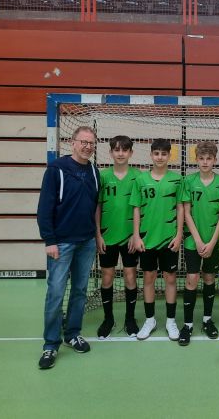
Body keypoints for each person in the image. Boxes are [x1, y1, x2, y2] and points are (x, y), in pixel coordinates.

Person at [37, 127, 99, 370]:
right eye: (83, 142)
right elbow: (44, 208)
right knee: (56, 292)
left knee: (80, 291)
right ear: (72, 143)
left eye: (91, 143)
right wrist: (49, 240)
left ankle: (72, 334)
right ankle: (50, 344)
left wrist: (95, 236)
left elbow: (94, 206)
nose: (87, 146)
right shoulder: (56, 169)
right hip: (61, 243)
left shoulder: (94, 171)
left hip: (86, 242)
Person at [130, 138, 183, 341]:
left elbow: (181, 208)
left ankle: (170, 320)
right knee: (149, 278)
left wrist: (179, 234)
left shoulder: (177, 180)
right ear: (151, 155)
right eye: (156, 153)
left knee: (170, 279)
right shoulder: (141, 180)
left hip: (169, 239)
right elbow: (136, 208)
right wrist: (136, 235)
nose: (160, 157)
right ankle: (150, 319)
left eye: (164, 154)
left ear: (169, 156)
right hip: (147, 239)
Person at [178, 141, 219, 346]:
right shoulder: (188, 181)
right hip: (193, 241)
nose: (205, 162)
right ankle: (188, 324)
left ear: (215, 160)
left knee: (209, 278)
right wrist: (198, 240)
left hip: (213, 241)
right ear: (196, 160)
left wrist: (213, 241)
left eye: (209, 159)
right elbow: (186, 212)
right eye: (201, 158)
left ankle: (208, 320)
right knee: (191, 279)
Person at [95, 136, 141, 339]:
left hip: (130, 238)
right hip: (107, 237)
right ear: (110, 152)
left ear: (131, 153)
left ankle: (130, 319)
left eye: (124, 150)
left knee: (130, 276)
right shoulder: (103, 176)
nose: (120, 153)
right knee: (107, 277)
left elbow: (141, 208)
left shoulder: (138, 176)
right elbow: (97, 207)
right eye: (116, 149)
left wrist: (136, 235)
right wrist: (98, 234)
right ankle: (108, 319)